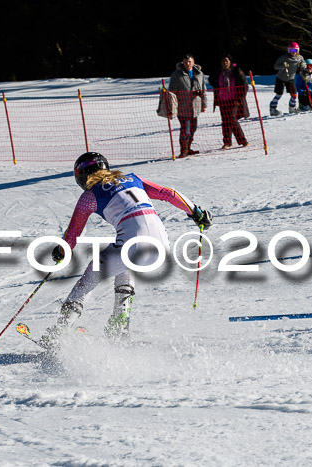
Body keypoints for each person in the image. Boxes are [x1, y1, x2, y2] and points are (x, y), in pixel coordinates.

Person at [39, 152, 212, 348]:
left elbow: (73, 234)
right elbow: (168, 193)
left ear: (82, 176)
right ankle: (119, 325)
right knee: (124, 265)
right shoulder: (133, 178)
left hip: (133, 244)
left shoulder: (89, 196)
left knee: (91, 276)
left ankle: (60, 331)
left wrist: (61, 252)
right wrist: (196, 212)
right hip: (162, 245)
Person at [168, 54, 207, 157]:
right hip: (182, 108)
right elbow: (171, 92)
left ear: (193, 62)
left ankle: (188, 148)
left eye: (189, 62)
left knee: (193, 129)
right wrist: (171, 106)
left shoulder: (199, 74)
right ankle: (183, 150)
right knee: (186, 130)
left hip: (195, 106)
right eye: (185, 62)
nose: (188, 64)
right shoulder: (177, 75)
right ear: (182, 63)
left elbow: (203, 89)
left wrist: (204, 103)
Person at [208, 54, 249, 149]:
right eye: (223, 61)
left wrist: (239, 99)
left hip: (234, 100)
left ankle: (243, 140)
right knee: (225, 121)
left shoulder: (236, 71)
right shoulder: (218, 71)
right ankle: (227, 142)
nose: (225, 63)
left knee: (231, 119)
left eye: (227, 61)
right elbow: (211, 79)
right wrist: (216, 85)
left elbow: (244, 85)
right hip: (222, 99)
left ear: (230, 62)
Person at [269, 42, 305, 116]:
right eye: (291, 50)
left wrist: (302, 65)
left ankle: (292, 108)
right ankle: (273, 109)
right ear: (288, 50)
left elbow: (303, 63)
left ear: (298, 50)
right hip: (281, 78)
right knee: (279, 94)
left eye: (295, 50)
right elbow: (275, 66)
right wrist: (283, 66)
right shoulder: (284, 57)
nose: (293, 52)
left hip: (290, 78)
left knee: (294, 94)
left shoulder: (300, 58)